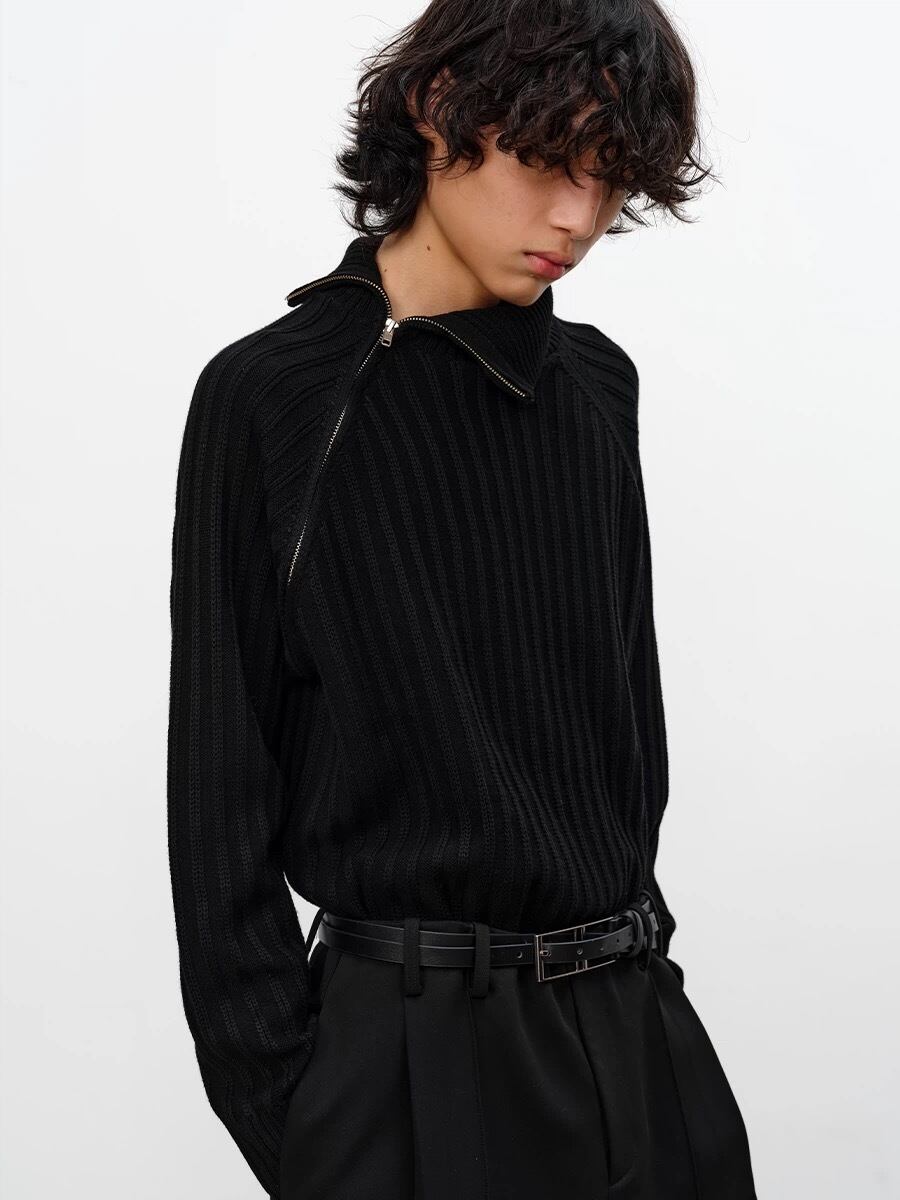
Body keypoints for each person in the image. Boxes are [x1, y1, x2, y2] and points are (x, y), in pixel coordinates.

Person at [167, 1, 758, 1197]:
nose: (578, 218)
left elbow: (623, 729)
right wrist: (304, 1124)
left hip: (637, 1034)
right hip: (409, 1057)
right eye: (551, 161)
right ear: (439, 112)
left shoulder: (597, 389)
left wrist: (648, 1007)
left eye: (611, 177)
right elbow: (219, 796)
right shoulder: (276, 397)